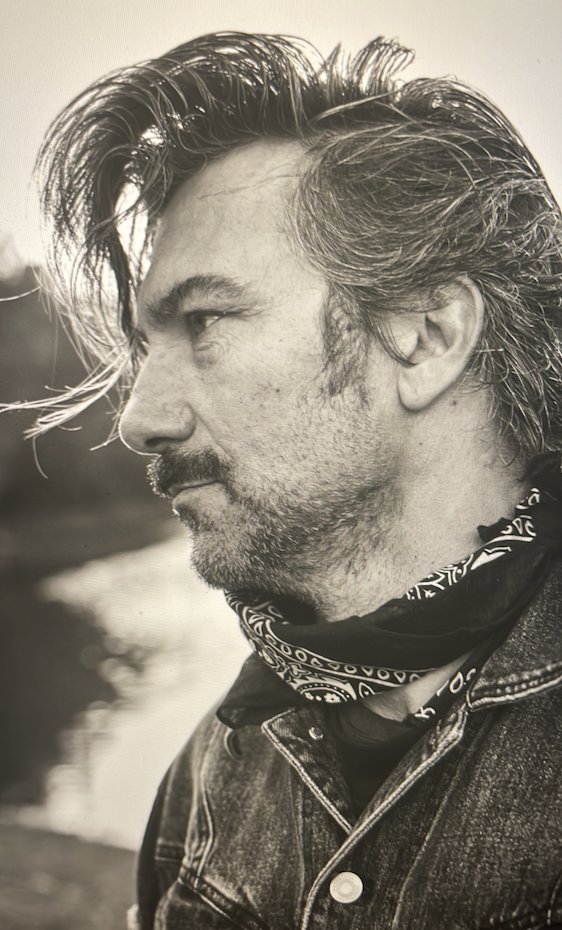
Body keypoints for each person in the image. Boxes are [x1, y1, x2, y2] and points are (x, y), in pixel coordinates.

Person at [17, 31, 562, 929]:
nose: (139, 418)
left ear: (426, 336)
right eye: (145, 347)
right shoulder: (210, 779)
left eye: (205, 319)